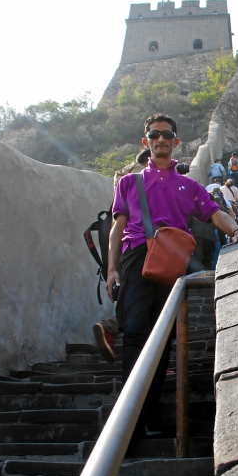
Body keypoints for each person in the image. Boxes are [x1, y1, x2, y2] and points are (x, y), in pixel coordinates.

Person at [106, 113, 238, 437]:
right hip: (136, 259)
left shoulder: (188, 185)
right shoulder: (129, 183)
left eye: (166, 135)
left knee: (163, 340)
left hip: (171, 262)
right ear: (146, 142)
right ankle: (128, 419)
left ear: (176, 141)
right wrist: (111, 270)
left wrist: (235, 231)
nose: (160, 139)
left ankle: (144, 415)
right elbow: (116, 230)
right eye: (154, 134)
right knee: (135, 332)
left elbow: (213, 211)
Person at [93, 147, 151, 364]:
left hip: (126, 250)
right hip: (140, 247)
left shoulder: (123, 176)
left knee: (137, 303)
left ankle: (112, 327)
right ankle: (144, 366)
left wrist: (112, 267)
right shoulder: (139, 177)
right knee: (145, 306)